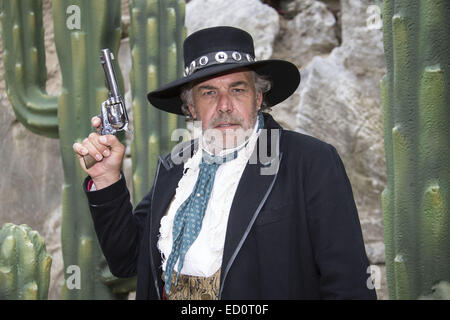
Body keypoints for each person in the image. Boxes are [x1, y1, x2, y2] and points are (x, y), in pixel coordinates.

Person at [73, 26, 377, 300]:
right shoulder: (175, 166)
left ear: (258, 98)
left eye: (238, 89)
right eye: (208, 93)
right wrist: (107, 179)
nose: (225, 106)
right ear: (191, 107)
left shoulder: (310, 162)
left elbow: (349, 285)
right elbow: (126, 260)